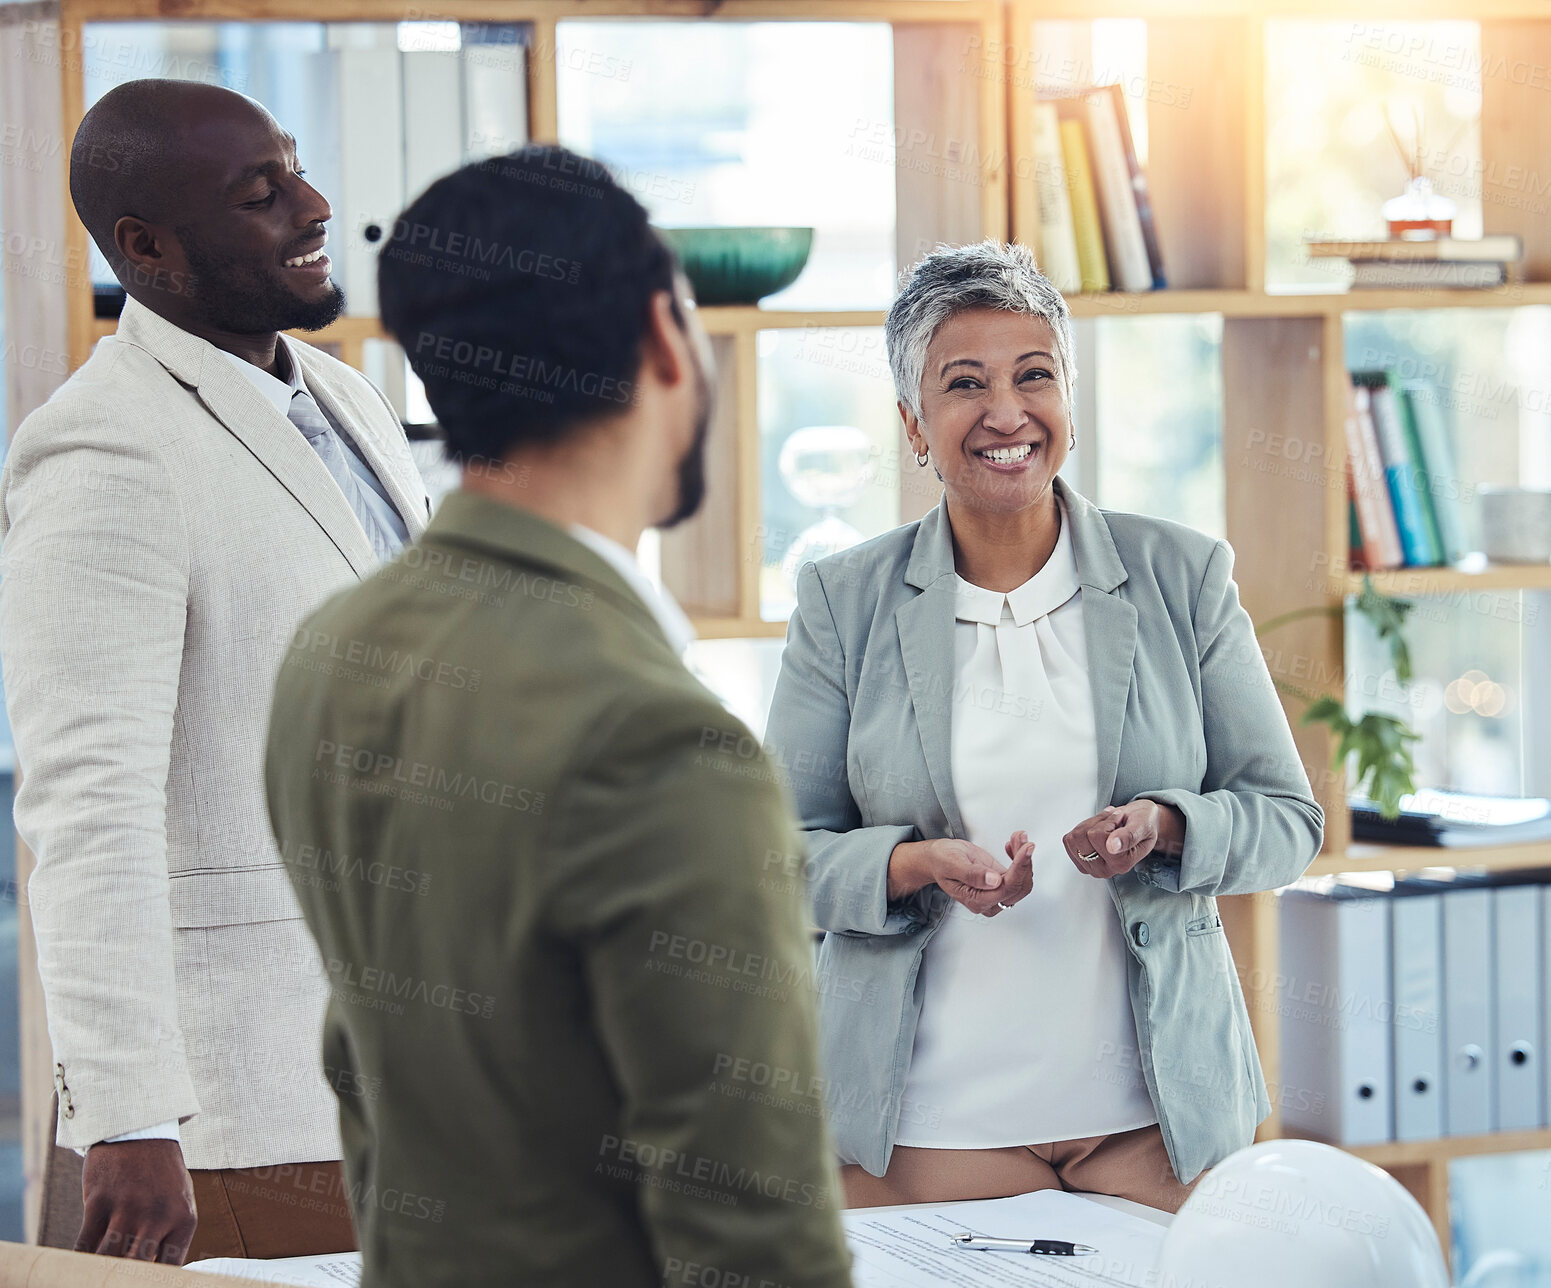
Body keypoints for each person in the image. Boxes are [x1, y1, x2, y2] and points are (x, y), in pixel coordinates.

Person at [263, 146, 853, 1288]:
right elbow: (750, 1222)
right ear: (662, 335)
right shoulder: (659, 734)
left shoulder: (332, 651)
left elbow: (363, 1067)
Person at [763, 241, 1323, 1212]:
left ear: (1070, 399)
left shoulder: (1181, 578)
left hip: (1156, 1123)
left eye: (1035, 375)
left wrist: (1168, 824)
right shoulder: (843, 602)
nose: (1006, 412)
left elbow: (1287, 820)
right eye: (964, 383)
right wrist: (909, 865)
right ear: (913, 424)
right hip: (923, 1127)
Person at [0, 79, 429, 1262]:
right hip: (240, 1107)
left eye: (294, 167)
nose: (315, 202)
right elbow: (88, 810)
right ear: (147, 247)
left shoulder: (345, 400)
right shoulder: (105, 448)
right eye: (262, 192)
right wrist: (130, 1119)